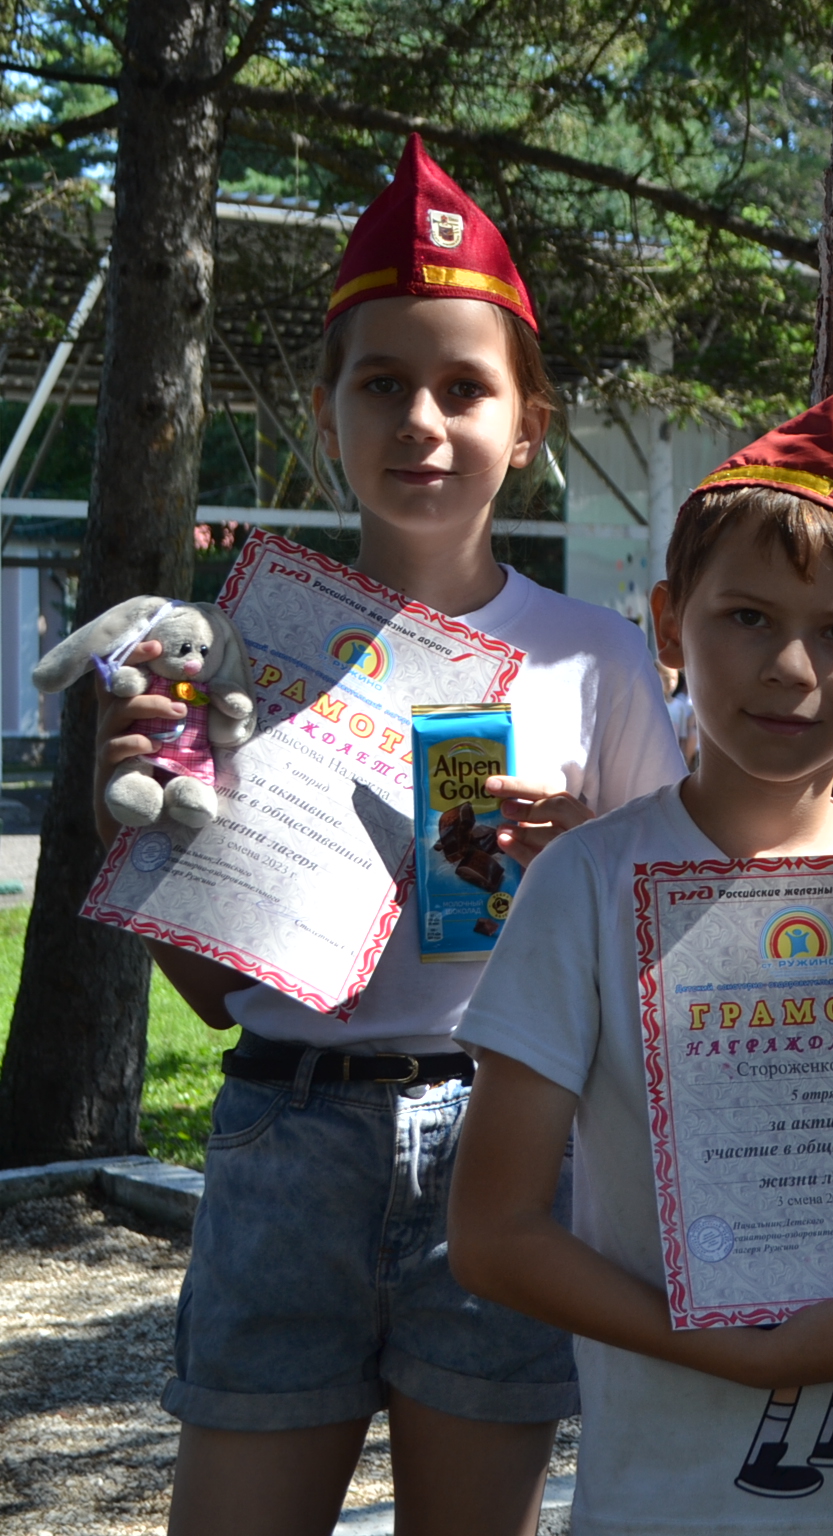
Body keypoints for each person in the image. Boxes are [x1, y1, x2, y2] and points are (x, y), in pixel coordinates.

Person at [97, 139, 688, 1536]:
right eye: (381, 384)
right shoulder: (243, 651)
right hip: (283, 1136)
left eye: (464, 387)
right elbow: (210, 988)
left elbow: (665, 968)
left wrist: (582, 870)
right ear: (327, 412)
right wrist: (144, 808)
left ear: (528, 423)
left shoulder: (594, 661)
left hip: (507, 1150)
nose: (421, 418)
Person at [447, 338, 833, 1536]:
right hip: (675, 1497)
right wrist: (733, 1355)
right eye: (748, 617)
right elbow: (493, 1235)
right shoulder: (587, 888)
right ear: (671, 624)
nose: (791, 668)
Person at [660, 662, 701, 767]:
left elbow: (683, 735)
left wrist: (683, 757)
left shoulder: (680, 706)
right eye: (665, 678)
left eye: (674, 679)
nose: (670, 683)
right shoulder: (655, 704)